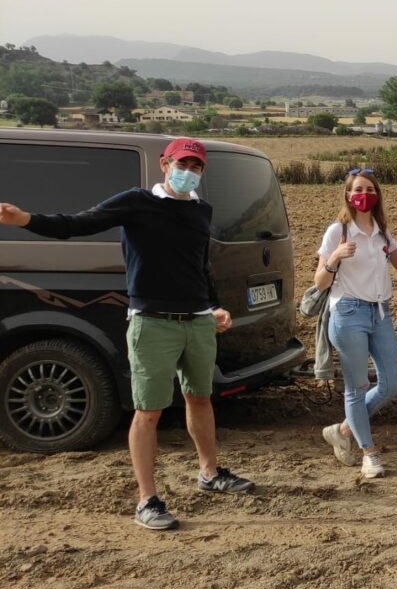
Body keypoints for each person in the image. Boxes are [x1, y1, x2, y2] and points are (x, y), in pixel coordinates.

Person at [0, 138, 252, 530]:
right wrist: (26, 220)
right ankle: (147, 500)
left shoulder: (201, 210)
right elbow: (78, 223)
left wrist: (214, 305)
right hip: (152, 321)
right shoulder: (136, 201)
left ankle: (209, 473)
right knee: (148, 412)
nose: (190, 171)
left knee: (200, 400)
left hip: (198, 321)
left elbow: (200, 265)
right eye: (183, 163)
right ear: (164, 165)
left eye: (197, 166)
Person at [315, 168, 397, 478]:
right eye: (358, 189)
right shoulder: (337, 232)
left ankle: (344, 429)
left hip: (380, 313)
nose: (364, 194)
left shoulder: (383, 234)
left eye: (370, 189)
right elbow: (319, 282)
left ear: (377, 195)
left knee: (393, 383)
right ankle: (369, 453)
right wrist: (335, 257)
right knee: (357, 387)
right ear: (348, 195)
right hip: (348, 314)